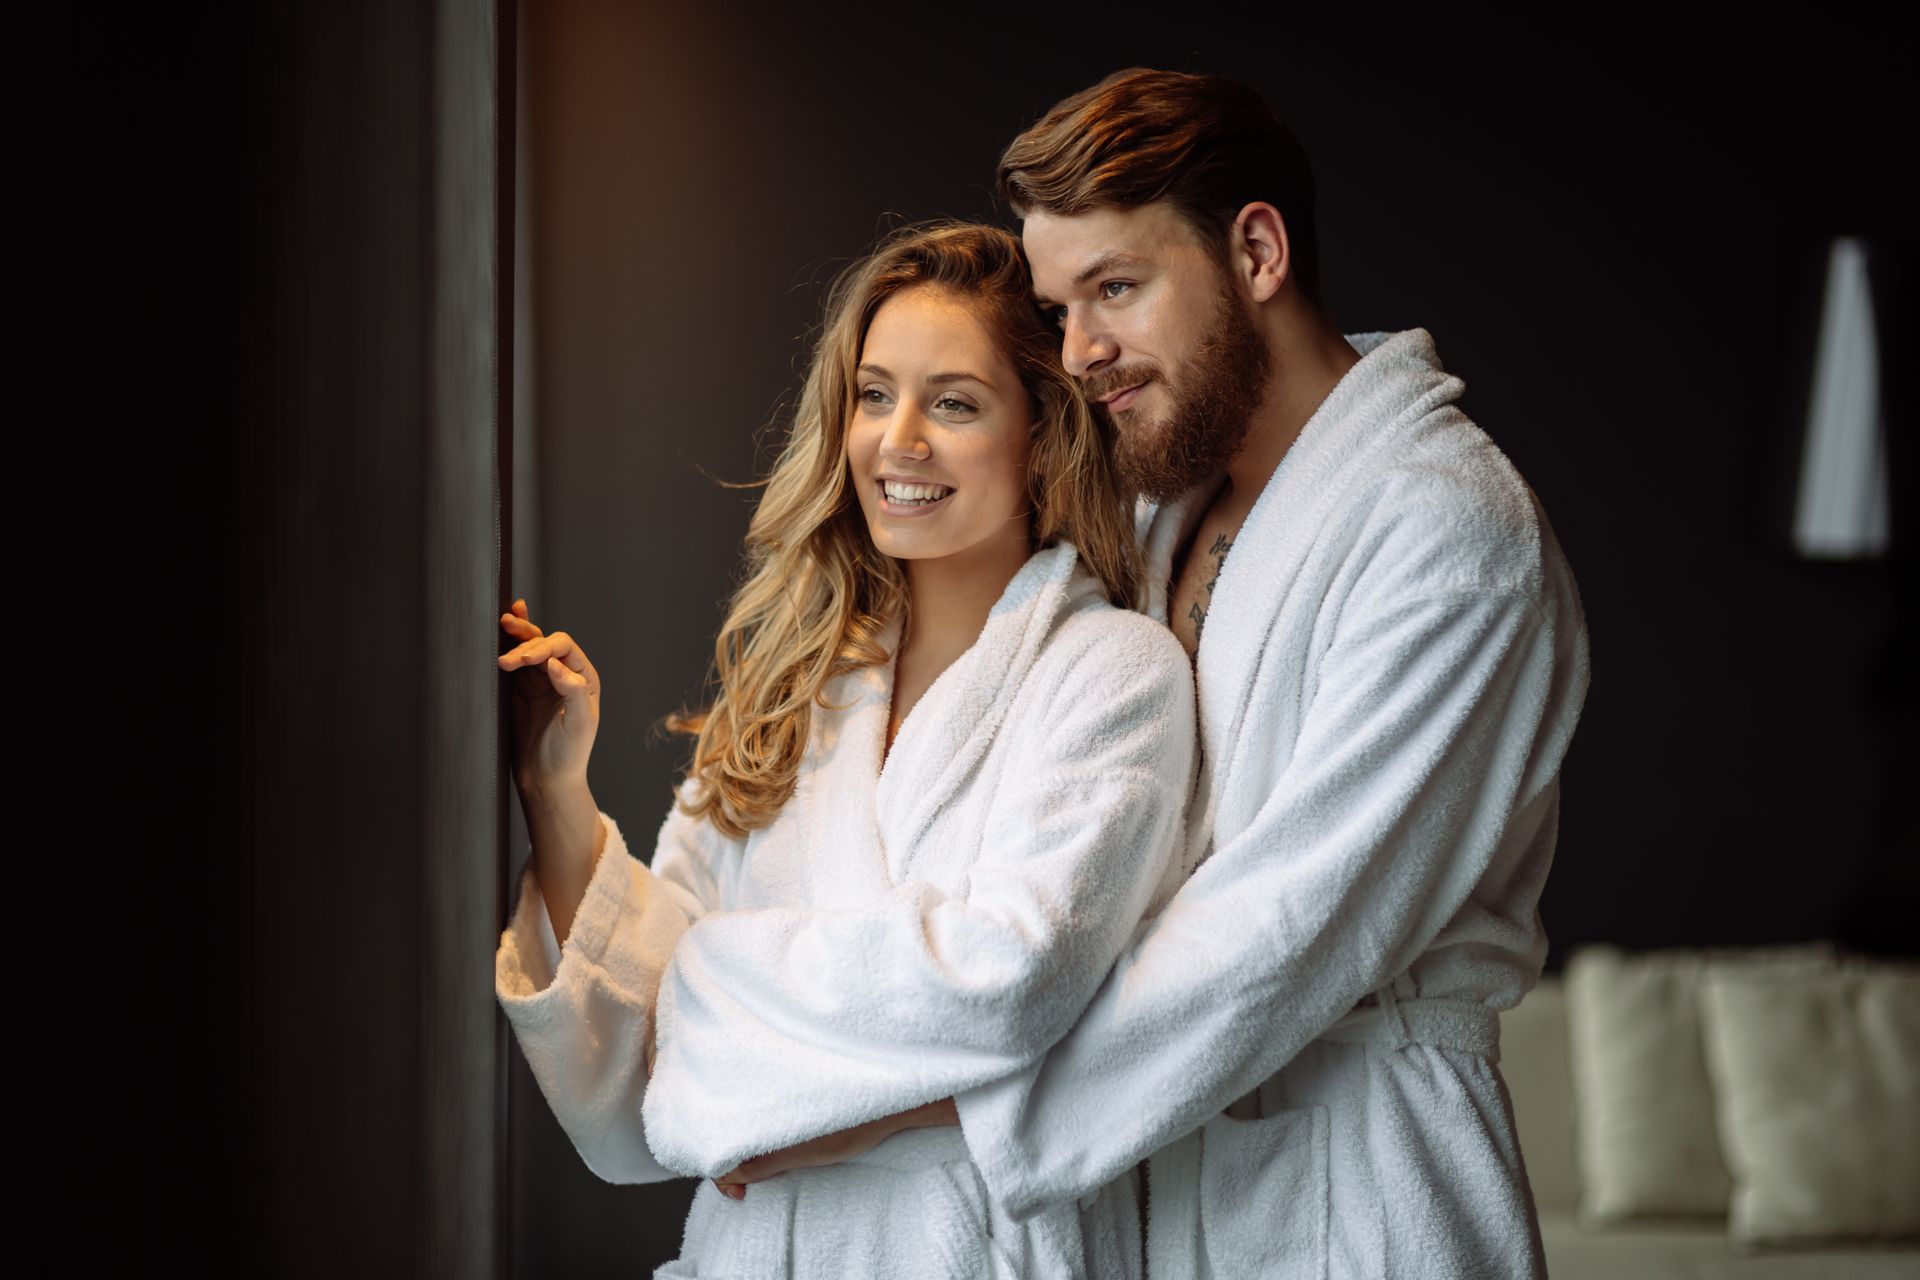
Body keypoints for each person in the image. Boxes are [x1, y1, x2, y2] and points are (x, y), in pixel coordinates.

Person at [716, 69, 1592, 1279]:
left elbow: (1283, 933)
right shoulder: (1163, 504)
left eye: (1116, 289)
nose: (1079, 353)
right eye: (1058, 307)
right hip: (1153, 1179)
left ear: (1258, 250)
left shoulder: (1447, 532)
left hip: (1363, 1187)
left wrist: (921, 1101)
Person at [493, 222, 1198, 1278]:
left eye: (952, 403)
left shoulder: (1111, 672)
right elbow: (637, 1081)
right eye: (874, 395)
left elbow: (1014, 976)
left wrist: (717, 1000)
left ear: (1043, 435)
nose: (896, 440)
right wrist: (556, 793)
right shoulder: (792, 688)